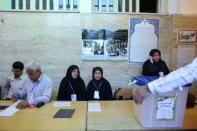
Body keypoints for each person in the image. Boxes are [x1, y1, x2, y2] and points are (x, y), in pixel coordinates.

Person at [133, 57, 197, 104]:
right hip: (160, 85)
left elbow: (188, 73)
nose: (157, 57)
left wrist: (149, 88)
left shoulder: (162, 63)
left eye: (158, 55)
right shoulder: (147, 63)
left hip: (162, 84)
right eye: (155, 55)